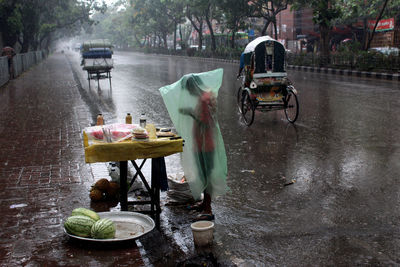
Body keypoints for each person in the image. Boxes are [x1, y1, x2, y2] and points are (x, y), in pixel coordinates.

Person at [179, 75, 219, 221]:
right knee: (203, 175)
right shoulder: (206, 95)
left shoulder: (204, 99)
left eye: (189, 89)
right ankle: (204, 203)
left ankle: (208, 210)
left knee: (206, 176)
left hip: (205, 144)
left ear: (193, 86)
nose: (189, 93)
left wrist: (189, 111)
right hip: (203, 142)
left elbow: (205, 120)